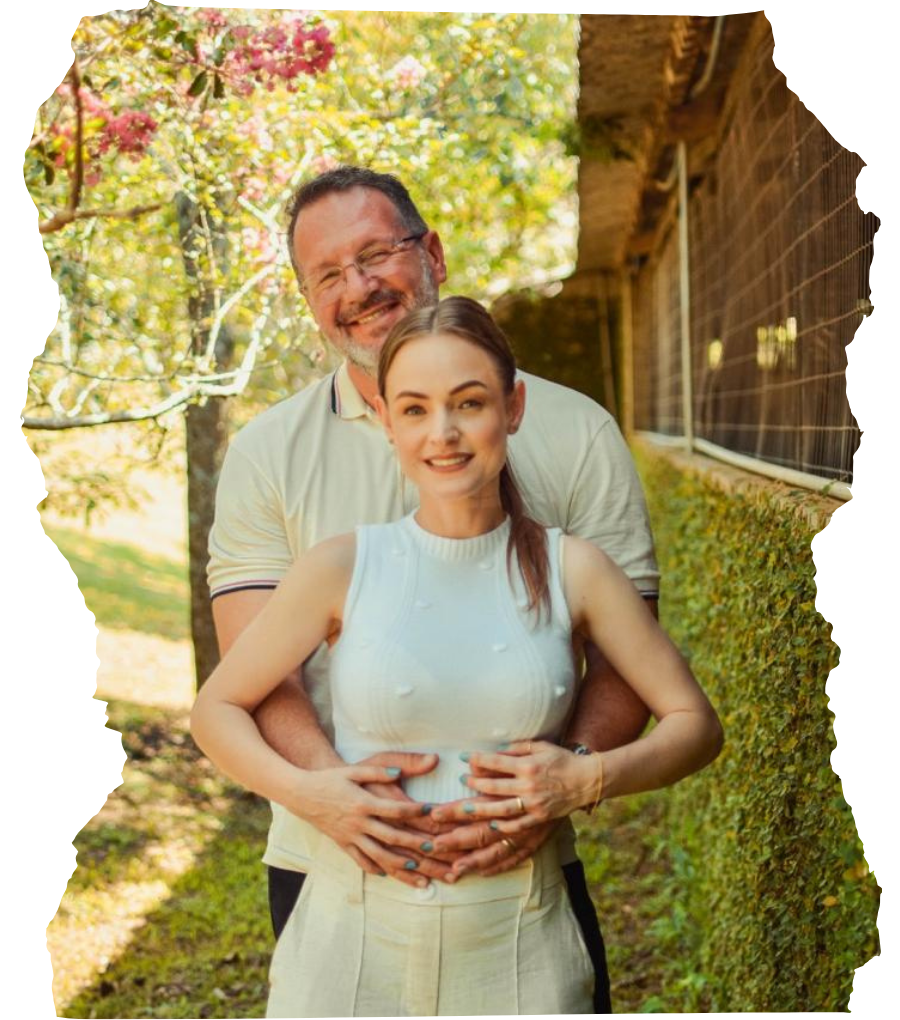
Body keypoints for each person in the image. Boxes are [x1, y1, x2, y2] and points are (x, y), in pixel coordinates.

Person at [207, 166, 660, 1012]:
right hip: (328, 864)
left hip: (523, 876)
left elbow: (632, 658)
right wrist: (335, 799)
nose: (360, 288)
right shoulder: (267, 453)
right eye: (328, 275)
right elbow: (250, 669)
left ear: (433, 253)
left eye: (376, 254)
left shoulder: (577, 431)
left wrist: (564, 783)